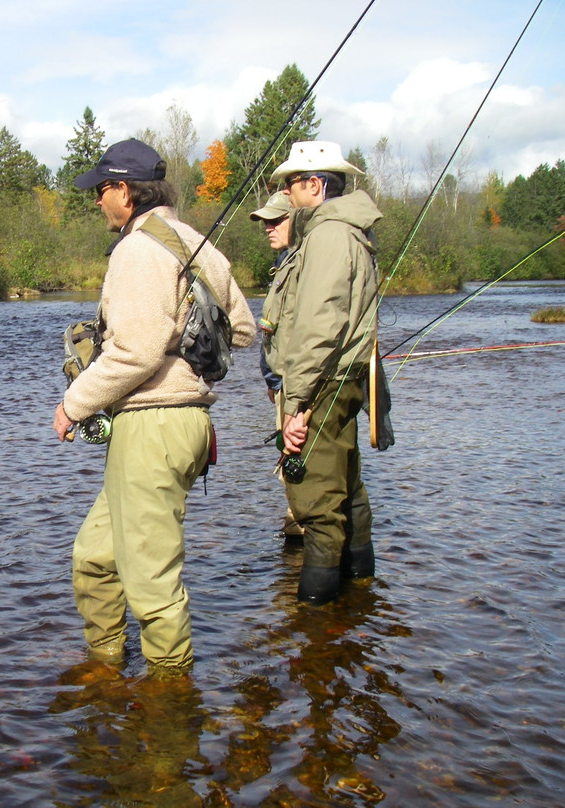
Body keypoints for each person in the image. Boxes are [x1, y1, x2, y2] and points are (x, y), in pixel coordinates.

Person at [52, 139, 255, 675]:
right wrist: (186, 355)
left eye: (100, 191)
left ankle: (169, 710)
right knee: (95, 559)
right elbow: (242, 331)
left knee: (151, 586)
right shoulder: (197, 244)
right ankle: (104, 671)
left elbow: (137, 350)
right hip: (180, 428)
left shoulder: (138, 249)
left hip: (154, 428)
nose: (97, 201)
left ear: (124, 189)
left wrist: (74, 403)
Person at [259, 141, 383, 604]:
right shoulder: (347, 232)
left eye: (291, 184)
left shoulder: (329, 237)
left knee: (317, 504)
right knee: (347, 488)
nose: (286, 194)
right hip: (342, 380)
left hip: (324, 385)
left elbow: (317, 327)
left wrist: (295, 407)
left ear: (315, 184)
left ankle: (316, 619)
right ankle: (360, 595)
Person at [249, 192, 303, 542]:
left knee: (298, 472)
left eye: (276, 220)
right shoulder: (285, 263)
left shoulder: (302, 265)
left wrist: (284, 385)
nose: (268, 227)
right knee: (295, 472)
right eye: (265, 221)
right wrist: (271, 379)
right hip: (283, 385)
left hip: (297, 386)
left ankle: (299, 545)